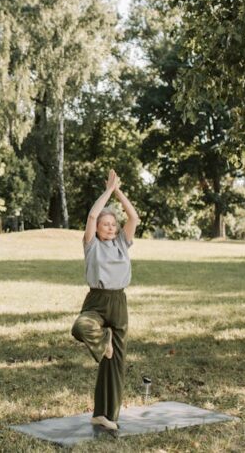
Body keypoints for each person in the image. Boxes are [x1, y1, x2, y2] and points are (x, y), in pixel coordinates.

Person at [71, 168, 140, 430]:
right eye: (105, 224)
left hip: (119, 302)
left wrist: (118, 190)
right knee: (80, 327)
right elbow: (91, 214)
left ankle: (105, 415)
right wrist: (108, 191)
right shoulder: (91, 244)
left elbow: (133, 216)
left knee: (115, 365)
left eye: (113, 224)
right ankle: (103, 341)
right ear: (97, 228)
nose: (110, 227)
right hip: (97, 302)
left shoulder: (123, 243)